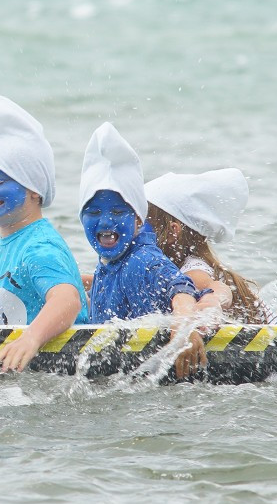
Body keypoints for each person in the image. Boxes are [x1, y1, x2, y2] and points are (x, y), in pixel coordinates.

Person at [0, 93, 89, 373]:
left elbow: (67, 300)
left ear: (34, 189)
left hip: (64, 369)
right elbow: (2, 300)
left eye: (1, 179)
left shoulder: (40, 247)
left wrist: (30, 339)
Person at [78, 123, 207, 378]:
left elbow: (181, 287)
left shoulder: (143, 259)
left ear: (138, 219)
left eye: (117, 212)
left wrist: (183, 328)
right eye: (93, 212)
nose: (104, 222)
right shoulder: (110, 260)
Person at [144, 168, 277, 325]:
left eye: (140, 221)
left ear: (171, 232)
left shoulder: (191, 271)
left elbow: (218, 288)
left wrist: (212, 302)